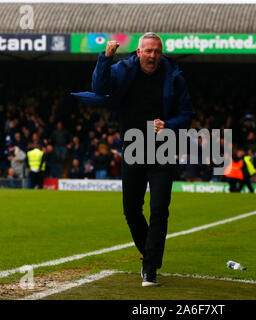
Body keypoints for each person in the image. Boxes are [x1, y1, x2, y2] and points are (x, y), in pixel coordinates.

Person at [74, 32, 193, 286]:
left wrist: (169, 125)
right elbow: (99, 88)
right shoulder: (123, 69)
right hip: (133, 145)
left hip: (163, 146)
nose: (153, 56)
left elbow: (186, 114)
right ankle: (150, 254)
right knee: (131, 210)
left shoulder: (174, 76)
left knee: (160, 209)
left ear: (162, 53)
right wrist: (105, 58)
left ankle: (149, 267)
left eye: (157, 51)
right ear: (138, 52)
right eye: (148, 51)